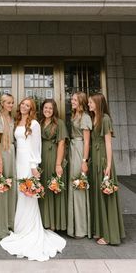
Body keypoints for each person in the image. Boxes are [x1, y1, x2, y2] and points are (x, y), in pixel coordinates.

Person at [0, 97, 66, 261]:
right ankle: (20, 226)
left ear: (31, 109)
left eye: (27, 105)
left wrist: (33, 165)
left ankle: (29, 229)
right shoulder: (17, 121)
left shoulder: (34, 124)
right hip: (18, 160)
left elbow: (36, 146)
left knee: (27, 193)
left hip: (28, 163)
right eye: (22, 104)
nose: (23, 106)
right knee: (20, 193)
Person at [88, 93, 125, 245]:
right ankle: (101, 230)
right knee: (98, 196)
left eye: (90, 102)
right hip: (95, 159)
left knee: (106, 196)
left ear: (97, 103)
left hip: (103, 159)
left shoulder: (105, 119)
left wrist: (108, 165)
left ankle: (110, 235)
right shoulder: (94, 118)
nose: (89, 105)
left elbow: (108, 144)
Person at [39, 99, 69, 231]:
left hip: (53, 156)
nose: (48, 110)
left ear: (54, 110)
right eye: (46, 108)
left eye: (50, 108)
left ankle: (54, 223)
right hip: (40, 157)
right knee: (43, 188)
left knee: (53, 187)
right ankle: (44, 221)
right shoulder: (39, 123)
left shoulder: (59, 123)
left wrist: (58, 164)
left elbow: (61, 143)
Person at [0, 93, 16, 240]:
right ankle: (2, 227)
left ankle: (11, 222)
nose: (11, 105)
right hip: (3, 154)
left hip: (12, 153)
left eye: (12, 103)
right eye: (8, 103)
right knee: (2, 188)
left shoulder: (11, 119)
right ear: (2, 104)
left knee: (11, 188)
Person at [67, 92, 92, 239]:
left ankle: (81, 228)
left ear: (81, 101)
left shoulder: (85, 117)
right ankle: (74, 226)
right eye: (72, 99)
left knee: (79, 185)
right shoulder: (74, 115)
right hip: (72, 149)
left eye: (75, 99)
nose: (72, 101)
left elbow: (87, 141)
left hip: (79, 150)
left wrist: (84, 161)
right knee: (73, 185)